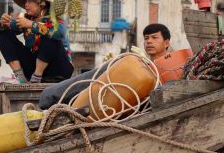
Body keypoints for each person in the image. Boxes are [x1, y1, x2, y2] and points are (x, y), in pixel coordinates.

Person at [37, 22, 193, 109]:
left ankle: (52, 96)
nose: (149, 41)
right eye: (146, 38)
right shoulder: (141, 61)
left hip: (137, 104)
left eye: (154, 38)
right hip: (116, 99)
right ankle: (54, 97)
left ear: (166, 43)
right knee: (104, 71)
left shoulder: (174, 64)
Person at [0, 0, 74, 84]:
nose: (26, 5)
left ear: (41, 3)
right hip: (32, 67)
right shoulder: (26, 19)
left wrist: (31, 25)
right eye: (25, 1)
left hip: (58, 69)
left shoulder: (54, 19)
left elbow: (60, 33)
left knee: (49, 34)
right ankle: (21, 77)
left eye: (29, 1)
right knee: (3, 35)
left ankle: (36, 77)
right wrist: (2, 23)